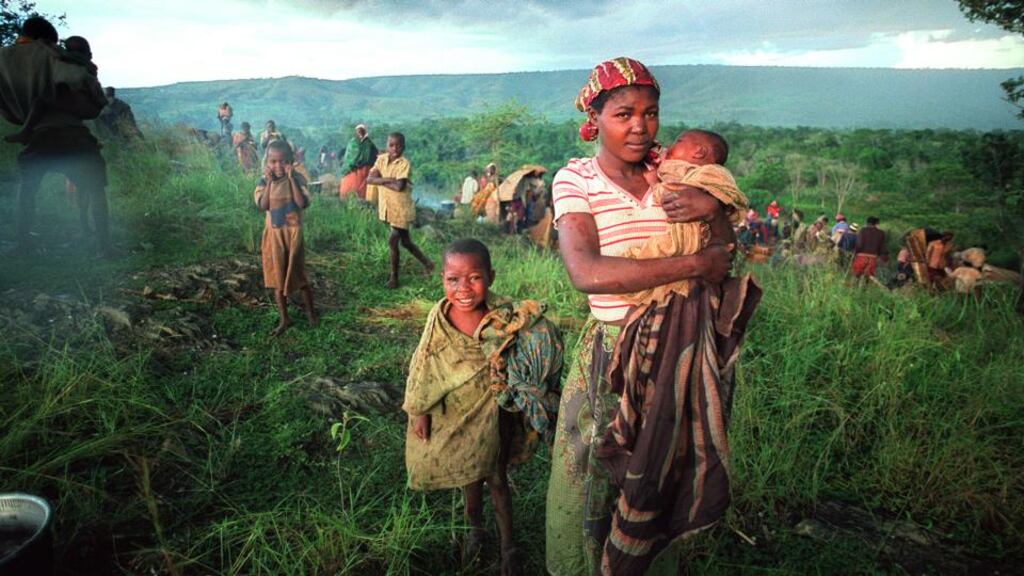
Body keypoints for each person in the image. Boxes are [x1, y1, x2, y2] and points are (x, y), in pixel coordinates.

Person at [545, 57, 755, 576]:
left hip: (681, 349)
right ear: (596, 118)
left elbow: (723, 260)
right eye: (624, 114)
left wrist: (712, 213)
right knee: (591, 473)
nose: (640, 126)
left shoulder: (678, 174)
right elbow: (587, 271)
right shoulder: (577, 179)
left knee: (662, 469)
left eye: (651, 113)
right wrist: (690, 263)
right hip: (613, 349)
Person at [404, 238, 563, 576]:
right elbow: (424, 364)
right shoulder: (439, 318)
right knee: (469, 478)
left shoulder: (504, 316)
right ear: (442, 280)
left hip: (493, 411)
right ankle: (474, 532)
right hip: (455, 412)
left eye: (474, 277)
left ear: (490, 276)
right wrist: (418, 409)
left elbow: (535, 342)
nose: (464, 288)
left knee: (497, 478)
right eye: (453, 280)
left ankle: (508, 546)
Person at [0, 18, 111, 254]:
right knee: (95, 188)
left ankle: (23, 243)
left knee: (27, 188)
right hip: (72, 132)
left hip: (39, 134)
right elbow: (82, 82)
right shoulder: (54, 57)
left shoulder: (5, 58)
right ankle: (105, 246)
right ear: (46, 39)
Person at [618, 128, 748, 305]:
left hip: (689, 241)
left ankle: (633, 282)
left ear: (699, 151)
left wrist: (655, 182)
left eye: (678, 142)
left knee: (652, 255)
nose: (670, 146)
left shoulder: (700, 175)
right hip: (705, 258)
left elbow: (674, 197)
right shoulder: (696, 175)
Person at [254, 140, 316, 336]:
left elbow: (301, 202)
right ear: (267, 162)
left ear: (292, 161)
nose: (278, 166)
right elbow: (263, 206)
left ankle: (311, 313)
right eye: (273, 161)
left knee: (299, 274)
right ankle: (284, 319)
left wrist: (290, 179)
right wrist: (271, 183)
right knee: (276, 278)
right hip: (274, 236)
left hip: (293, 234)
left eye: (283, 162)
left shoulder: (298, 179)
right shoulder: (264, 182)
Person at [367, 132, 434, 288]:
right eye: (391, 145)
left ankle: (394, 278)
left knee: (393, 241)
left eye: (398, 145)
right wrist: (388, 179)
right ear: (386, 145)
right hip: (388, 207)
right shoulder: (381, 160)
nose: (395, 148)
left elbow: (399, 186)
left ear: (403, 147)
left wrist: (380, 181)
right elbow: (370, 179)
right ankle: (428, 263)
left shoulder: (404, 164)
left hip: (401, 209)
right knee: (406, 242)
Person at [339, 124, 379, 200]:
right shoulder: (353, 143)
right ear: (356, 132)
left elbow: (375, 155)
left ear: (365, 132)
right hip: (352, 171)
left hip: (365, 171)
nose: (360, 132)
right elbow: (350, 157)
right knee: (349, 193)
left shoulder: (369, 144)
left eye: (362, 131)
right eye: (358, 131)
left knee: (363, 194)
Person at [851, 217, 887, 281]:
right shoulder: (881, 233)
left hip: (861, 258)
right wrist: (883, 257)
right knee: (868, 279)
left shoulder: (862, 231)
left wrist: (854, 253)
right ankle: (865, 290)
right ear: (876, 224)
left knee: (855, 276)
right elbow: (882, 248)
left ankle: (853, 289)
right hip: (872, 259)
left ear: (867, 223)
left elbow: (859, 245)